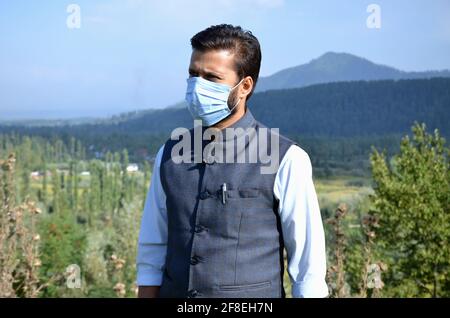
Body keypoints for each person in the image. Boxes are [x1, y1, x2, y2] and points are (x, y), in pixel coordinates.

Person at [136, 24, 328, 298]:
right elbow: (153, 246)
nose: (197, 86)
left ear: (245, 86)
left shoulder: (287, 159)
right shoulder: (169, 154)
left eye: (212, 78)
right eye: (193, 75)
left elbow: (308, 267)